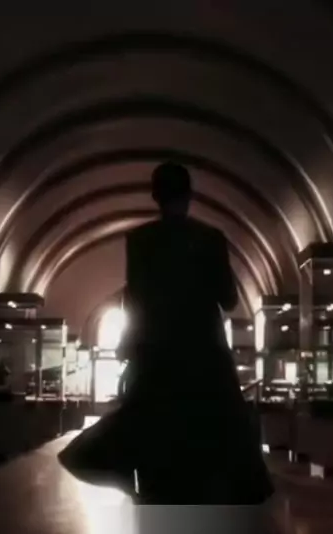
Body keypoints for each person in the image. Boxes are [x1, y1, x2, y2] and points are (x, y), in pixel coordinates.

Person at [58, 162, 274, 507]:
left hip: (156, 358)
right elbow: (229, 299)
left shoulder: (140, 241)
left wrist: (130, 349)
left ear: (156, 197)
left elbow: (136, 303)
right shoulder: (210, 238)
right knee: (216, 438)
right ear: (189, 195)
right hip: (204, 356)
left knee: (156, 443)